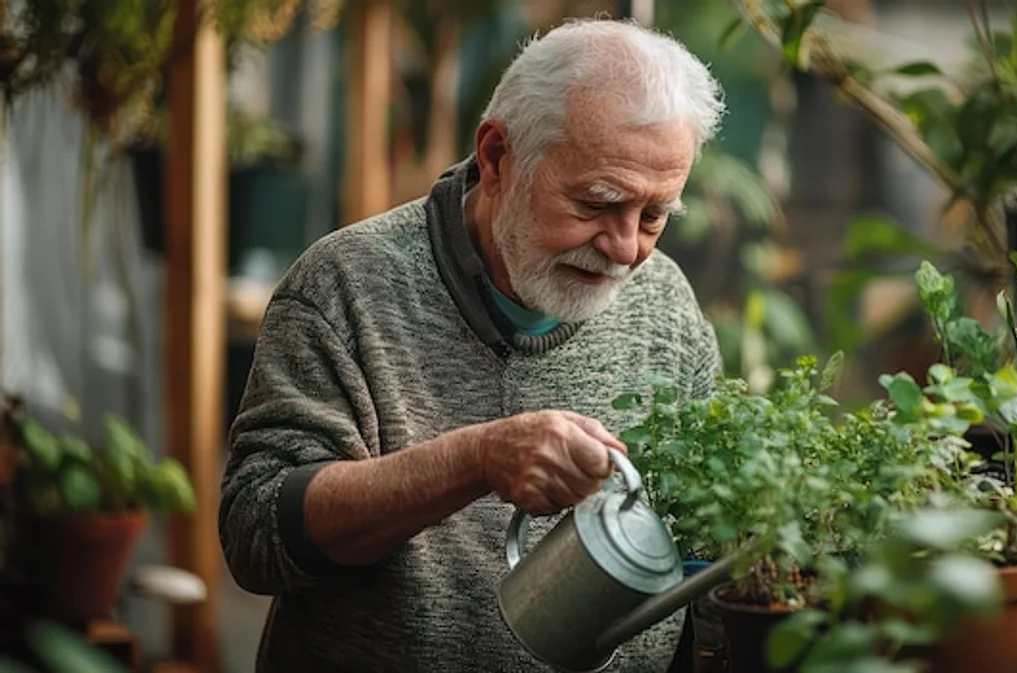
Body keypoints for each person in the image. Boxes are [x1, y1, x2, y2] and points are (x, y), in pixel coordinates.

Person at [219, 17, 725, 673]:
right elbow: (256, 533)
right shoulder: (346, 288)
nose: (627, 248)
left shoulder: (665, 304)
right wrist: (478, 459)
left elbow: (709, 550)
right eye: (598, 203)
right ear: (496, 157)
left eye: (654, 214)